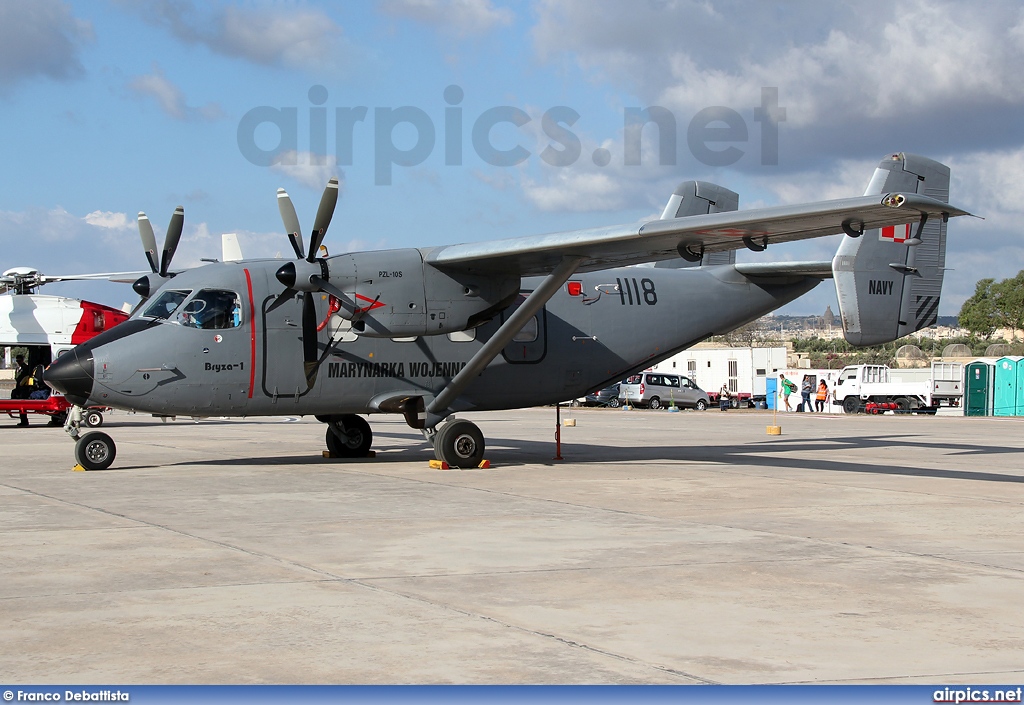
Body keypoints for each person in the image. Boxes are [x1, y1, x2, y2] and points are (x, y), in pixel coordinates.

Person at [10, 354, 31, 426]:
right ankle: (23, 420)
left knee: (22, 406)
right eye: (17, 361)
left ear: (22, 360)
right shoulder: (18, 369)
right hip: (19, 388)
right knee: (19, 406)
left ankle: (24, 421)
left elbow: (24, 378)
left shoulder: (26, 368)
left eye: (19, 360)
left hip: (24, 389)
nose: (18, 362)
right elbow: (16, 378)